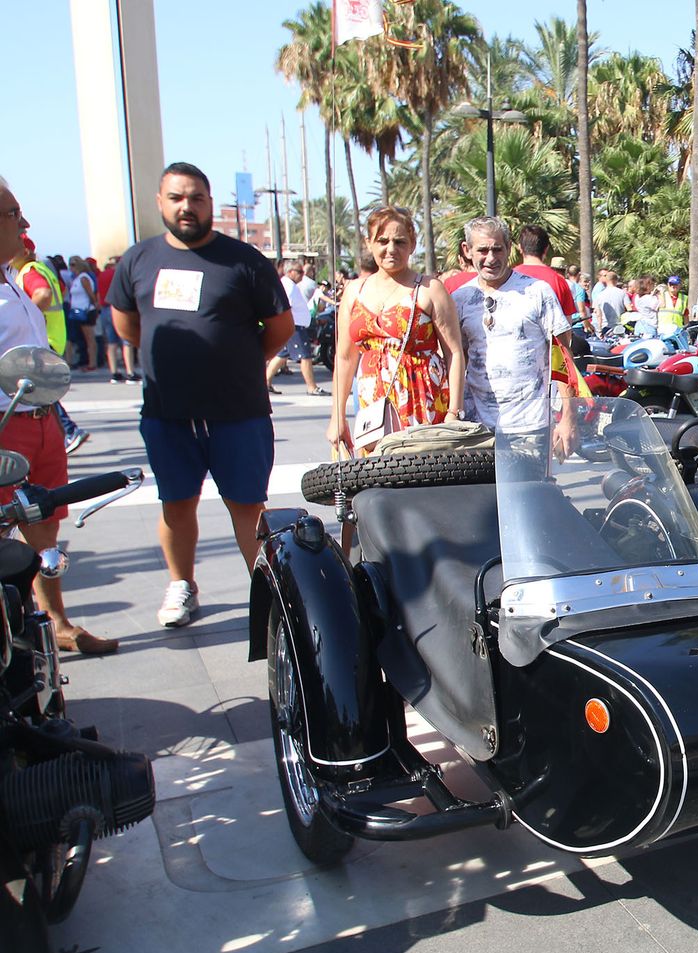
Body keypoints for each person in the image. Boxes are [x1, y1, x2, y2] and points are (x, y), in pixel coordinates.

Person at [109, 162, 294, 628]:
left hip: (238, 412)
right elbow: (128, 325)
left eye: (196, 198)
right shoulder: (138, 260)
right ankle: (182, 585)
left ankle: (268, 595)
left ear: (211, 203)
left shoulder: (245, 261)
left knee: (249, 506)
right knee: (176, 503)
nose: (186, 207)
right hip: (168, 414)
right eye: (176, 198)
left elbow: (279, 328)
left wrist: (232, 363)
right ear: (160, 202)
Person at [0, 178, 119, 655]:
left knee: (44, 530)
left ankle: (54, 623)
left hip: (42, 423)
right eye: (14, 214)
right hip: (8, 427)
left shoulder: (13, 280)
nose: (25, 224)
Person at [327, 206, 466, 456]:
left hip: (423, 400)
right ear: (369, 243)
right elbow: (345, 358)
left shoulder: (430, 289)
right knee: (378, 481)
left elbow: (454, 353)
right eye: (382, 241)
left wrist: (454, 412)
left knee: (422, 479)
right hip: (373, 406)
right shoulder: (354, 291)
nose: (391, 249)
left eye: (400, 241)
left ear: (412, 244)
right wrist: (337, 416)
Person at [451, 217, 575, 453]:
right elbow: (457, 359)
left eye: (498, 249)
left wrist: (568, 418)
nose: (491, 258)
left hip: (531, 426)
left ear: (509, 248)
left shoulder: (537, 292)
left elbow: (562, 355)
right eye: (483, 250)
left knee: (534, 490)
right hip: (477, 431)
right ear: (467, 251)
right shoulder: (460, 299)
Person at [9, 237, 91, 453]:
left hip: (44, 339)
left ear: (25, 251)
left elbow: (43, 294)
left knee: (39, 391)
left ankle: (69, 429)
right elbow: (59, 292)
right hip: (54, 336)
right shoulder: (42, 269)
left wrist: (24, 318)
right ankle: (66, 431)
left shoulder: (29, 271)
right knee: (41, 390)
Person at [263, 260, 327, 396]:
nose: (302, 275)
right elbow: (286, 306)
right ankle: (311, 387)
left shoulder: (289, 284)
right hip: (295, 326)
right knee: (305, 355)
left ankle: (266, 383)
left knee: (282, 355)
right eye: (299, 272)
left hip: (295, 324)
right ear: (290, 272)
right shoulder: (288, 286)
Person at [513, 226, 579, 327]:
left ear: (520, 248)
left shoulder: (509, 277)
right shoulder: (559, 280)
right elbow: (566, 324)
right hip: (551, 342)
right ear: (546, 249)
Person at [65, 255, 99, 369]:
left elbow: (91, 294)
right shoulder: (77, 278)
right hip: (78, 312)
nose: (71, 267)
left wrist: (95, 306)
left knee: (90, 338)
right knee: (85, 339)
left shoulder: (84, 278)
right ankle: (89, 362)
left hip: (85, 311)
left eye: (73, 265)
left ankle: (92, 363)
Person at [592, 267, 627, 333]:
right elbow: (597, 311)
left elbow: (598, 312)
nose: (606, 277)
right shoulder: (599, 289)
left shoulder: (601, 291)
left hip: (606, 327)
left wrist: (599, 328)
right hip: (619, 326)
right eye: (604, 275)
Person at [566, 263, 591, 332]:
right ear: (579, 274)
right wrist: (587, 326)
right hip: (577, 324)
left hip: (566, 323)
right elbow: (581, 310)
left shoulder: (564, 285)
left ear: (568, 274)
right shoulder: (579, 289)